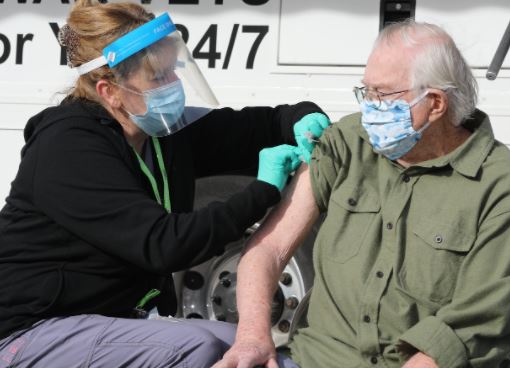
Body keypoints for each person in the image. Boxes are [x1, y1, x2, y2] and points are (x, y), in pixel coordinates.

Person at [0, 1, 330, 367]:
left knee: (252, 349)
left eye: (173, 71)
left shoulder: (157, 132)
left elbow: (261, 125)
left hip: (110, 322)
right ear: (110, 91)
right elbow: (164, 245)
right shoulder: (67, 146)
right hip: (30, 331)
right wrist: (263, 191)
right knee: (195, 348)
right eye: (158, 77)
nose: (172, 86)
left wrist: (305, 118)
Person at [214, 20, 510, 368]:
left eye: (381, 95)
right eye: (364, 91)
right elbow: (270, 247)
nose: (369, 107)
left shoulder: (498, 185)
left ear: (435, 104)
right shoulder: (348, 142)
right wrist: (252, 337)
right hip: (313, 359)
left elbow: (472, 325)